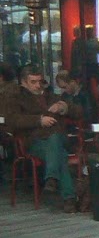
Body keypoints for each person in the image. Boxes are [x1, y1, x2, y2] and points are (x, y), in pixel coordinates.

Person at [4, 65, 76, 209]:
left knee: (55, 139)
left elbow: (79, 111)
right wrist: (39, 120)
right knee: (60, 154)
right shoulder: (17, 98)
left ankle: (52, 178)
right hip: (35, 141)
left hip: (57, 137)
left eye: (40, 81)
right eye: (33, 82)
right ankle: (68, 198)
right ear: (23, 82)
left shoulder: (50, 95)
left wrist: (63, 107)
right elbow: (13, 120)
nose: (38, 85)